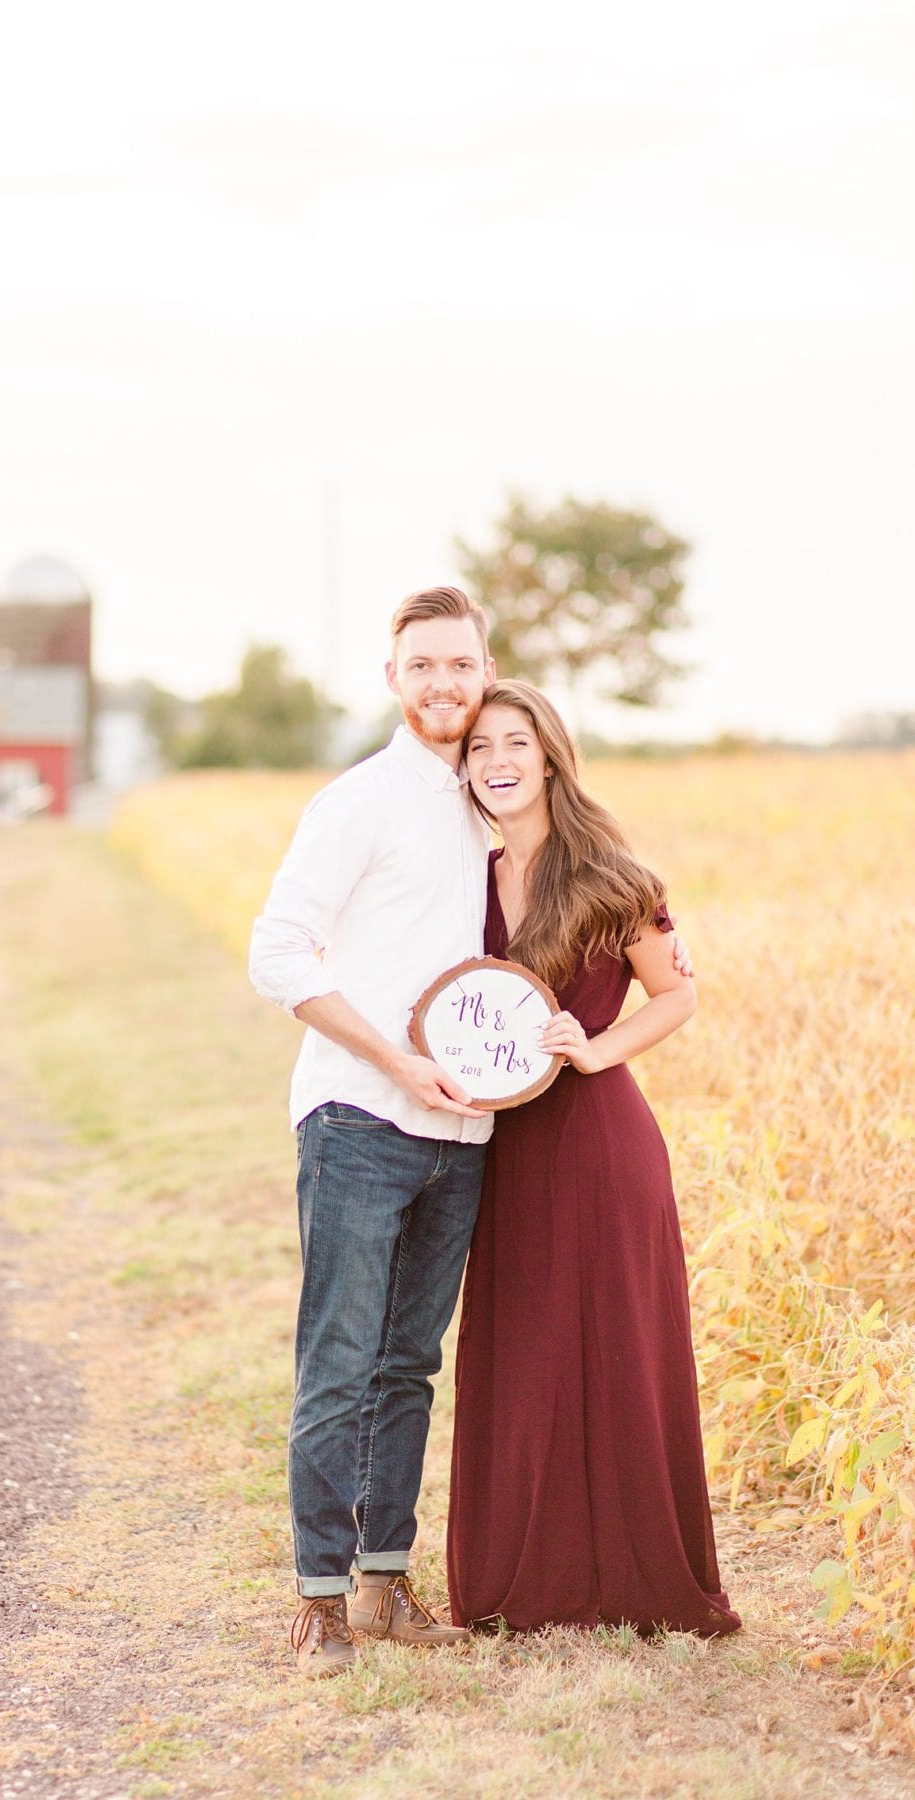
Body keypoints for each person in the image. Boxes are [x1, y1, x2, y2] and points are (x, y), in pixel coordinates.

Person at [249, 593, 698, 1674]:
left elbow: (648, 976)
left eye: (464, 667)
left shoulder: (484, 816)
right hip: (363, 1115)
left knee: (409, 1364)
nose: (447, 687)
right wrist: (393, 1057)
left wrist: (574, 1048)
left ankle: (385, 1584)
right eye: (425, 667)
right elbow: (278, 952)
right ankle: (318, 1599)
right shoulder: (358, 802)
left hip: (467, 1142)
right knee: (341, 1359)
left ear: (489, 670)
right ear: (394, 677)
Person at [446, 681, 740, 1640]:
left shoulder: (614, 874)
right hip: (505, 1144)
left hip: (603, 1139)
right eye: (480, 744)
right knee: (524, 1348)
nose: (497, 758)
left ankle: (642, 1582)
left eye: (516, 742)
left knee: (620, 1347)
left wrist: (596, 1047)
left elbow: (678, 996)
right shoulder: (461, 877)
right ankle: (525, 1583)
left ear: (550, 754)